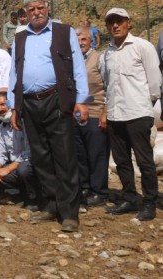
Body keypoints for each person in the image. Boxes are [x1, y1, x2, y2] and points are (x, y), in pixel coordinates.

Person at [8, 0, 90, 233]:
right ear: (25, 13)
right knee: (41, 157)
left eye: (40, 7)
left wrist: (82, 100)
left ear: (48, 8)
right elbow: (14, 73)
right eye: (31, 9)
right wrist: (15, 106)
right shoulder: (20, 37)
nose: (36, 12)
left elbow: (78, 67)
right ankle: (51, 204)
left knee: (64, 156)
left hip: (56, 100)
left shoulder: (64, 32)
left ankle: (69, 213)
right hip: (30, 103)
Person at [100, 8, 161, 221]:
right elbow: (107, 85)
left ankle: (149, 202)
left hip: (137, 112)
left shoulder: (143, 47)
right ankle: (129, 197)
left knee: (144, 161)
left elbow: (155, 82)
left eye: (119, 21)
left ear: (129, 23)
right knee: (121, 160)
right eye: (111, 22)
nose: (115, 26)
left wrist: (146, 105)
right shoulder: (107, 53)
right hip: (116, 114)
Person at [0, 92, 37, 210]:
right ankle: (16, 191)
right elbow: (0, 152)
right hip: (12, 166)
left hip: (26, 164)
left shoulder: (24, 123)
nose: (1, 108)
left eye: (3, 104)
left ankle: (32, 199)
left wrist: (8, 169)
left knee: (23, 169)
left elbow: (29, 152)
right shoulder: (2, 127)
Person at [74, 26, 109, 207]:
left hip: (95, 112)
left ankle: (100, 191)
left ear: (91, 41)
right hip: (77, 114)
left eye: (84, 40)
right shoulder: (73, 60)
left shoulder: (100, 59)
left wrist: (105, 112)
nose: (80, 43)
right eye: (77, 40)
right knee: (81, 154)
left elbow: (109, 87)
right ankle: (85, 186)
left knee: (97, 154)